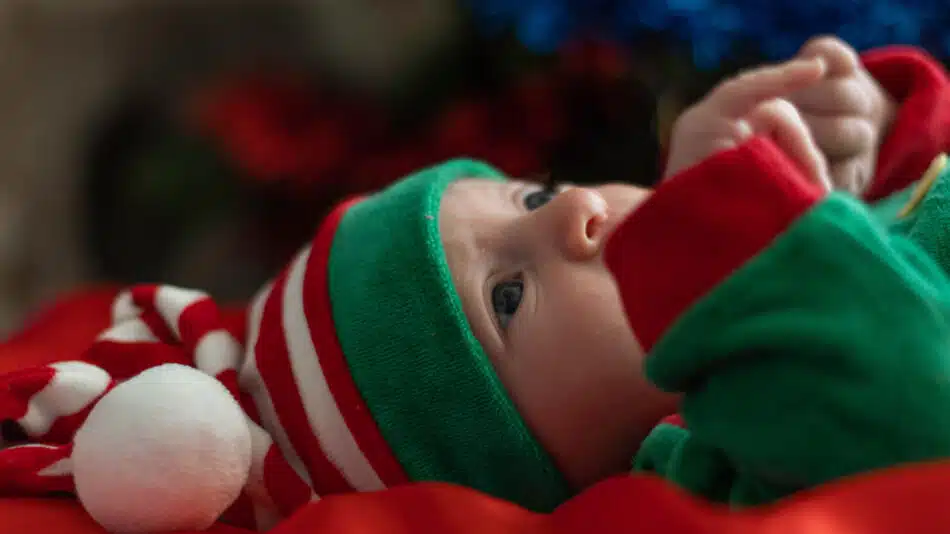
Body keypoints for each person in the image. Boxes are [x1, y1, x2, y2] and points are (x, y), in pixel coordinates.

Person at [0, 35, 948, 533]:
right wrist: (739, 237)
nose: (568, 209)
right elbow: (908, 409)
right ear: (529, 474)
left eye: (527, 194)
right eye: (509, 297)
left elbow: (909, 219)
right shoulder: (708, 463)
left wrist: (862, 140)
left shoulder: (739, 266)